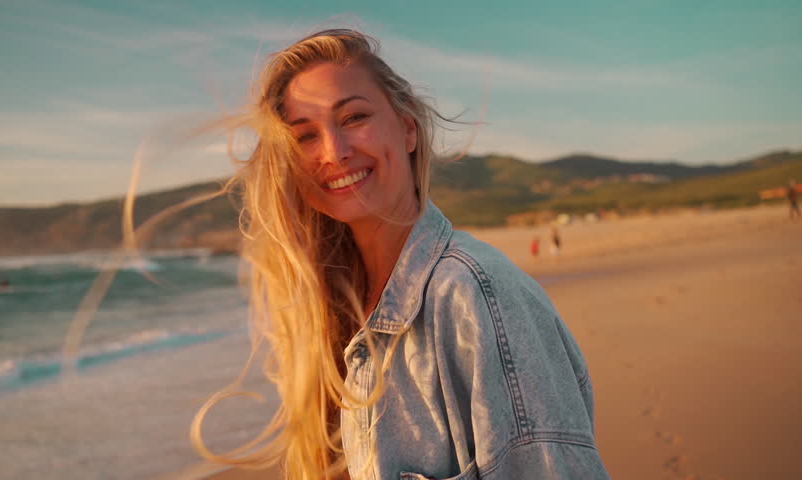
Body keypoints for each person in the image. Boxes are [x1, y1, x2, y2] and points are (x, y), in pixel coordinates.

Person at [193, 29, 609, 480]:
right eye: (305, 136)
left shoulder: (476, 297)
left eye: (353, 117)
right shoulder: (333, 312)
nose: (334, 152)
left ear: (407, 128)